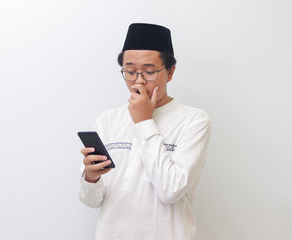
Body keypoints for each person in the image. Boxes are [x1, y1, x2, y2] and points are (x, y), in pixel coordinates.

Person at [78, 23, 211, 240]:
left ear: (170, 72)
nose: (138, 80)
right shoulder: (108, 120)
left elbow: (171, 191)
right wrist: (90, 178)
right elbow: (91, 201)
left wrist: (143, 121)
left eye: (149, 72)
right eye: (130, 71)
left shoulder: (194, 121)